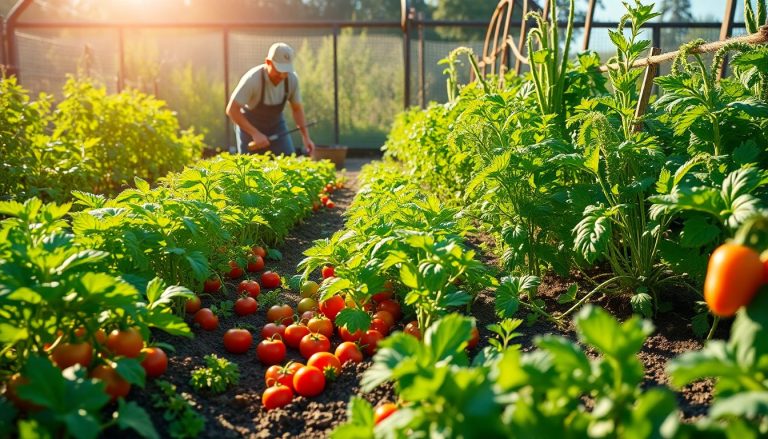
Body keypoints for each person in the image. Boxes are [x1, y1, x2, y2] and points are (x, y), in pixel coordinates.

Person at [226, 42, 315, 156]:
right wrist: (255, 133)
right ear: (268, 62)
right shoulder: (252, 79)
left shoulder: (292, 80)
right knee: (247, 168)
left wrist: (306, 138)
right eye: (279, 71)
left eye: (286, 71)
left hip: (277, 126)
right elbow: (232, 110)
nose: (282, 76)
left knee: (288, 163)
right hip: (249, 127)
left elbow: (297, 109)